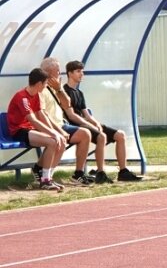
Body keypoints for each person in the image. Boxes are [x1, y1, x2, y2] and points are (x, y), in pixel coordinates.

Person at [61, 60, 142, 182]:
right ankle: (100, 173)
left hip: (86, 124)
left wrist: (96, 123)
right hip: (77, 127)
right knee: (102, 136)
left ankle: (123, 172)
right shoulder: (64, 92)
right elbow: (72, 116)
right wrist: (90, 125)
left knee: (120, 135)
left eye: (82, 71)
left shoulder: (79, 93)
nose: (81, 74)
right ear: (70, 73)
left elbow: (86, 114)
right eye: (78, 71)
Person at [6, 68, 66, 191]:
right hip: (19, 131)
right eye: (45, 84)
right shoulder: (22, 97)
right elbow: (33, 120)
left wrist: (57, 132)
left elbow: (42, 116)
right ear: (39, 84)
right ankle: (45, 181)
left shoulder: (37, 95)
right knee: (52, 141)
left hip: (31, 130)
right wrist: (54, 134)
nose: (46, 87)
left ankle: (48, 178)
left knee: (62, 142)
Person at [37, 57, 94, 185]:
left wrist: (59, 89)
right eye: (57, 70)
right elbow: (42, 114)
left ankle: (78, 174)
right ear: (49, 72)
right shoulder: (40, 88)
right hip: (50, 126)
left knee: (85, 134)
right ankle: (45, 175)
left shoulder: (55, 86)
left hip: (61, 124)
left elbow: (67, 104)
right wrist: (56, 130)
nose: (60, 73)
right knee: (60, 139)